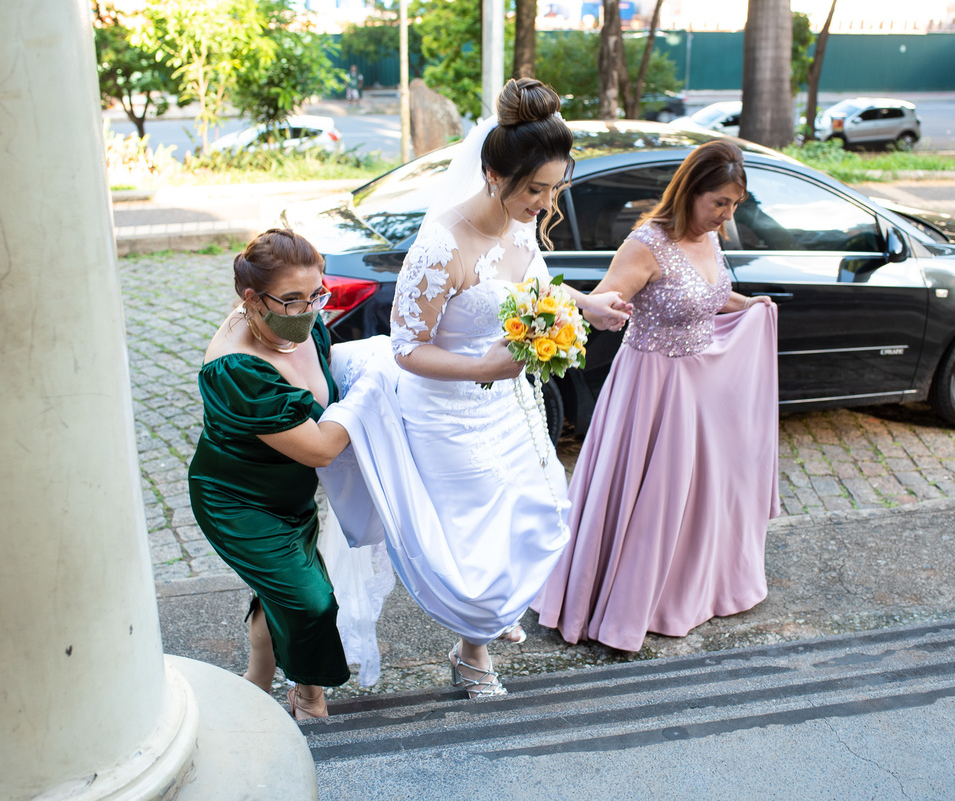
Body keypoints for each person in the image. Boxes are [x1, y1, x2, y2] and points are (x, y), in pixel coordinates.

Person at [319, 78, 631, 698]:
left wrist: (588, 305)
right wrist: (483, 369)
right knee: (473, 540)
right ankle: (473, 649)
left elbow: (533, 289)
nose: (544, 205)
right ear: (493, 173)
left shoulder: (520, 229)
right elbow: (408, 349)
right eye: (534, 190)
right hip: (445, 414)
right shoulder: (441, 246)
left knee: (532, 510)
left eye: (553, 188)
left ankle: (492, 614)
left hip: (507, 408)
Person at [532, 140, 781, 652]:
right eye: (720, 203)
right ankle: (621, 605)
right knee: (650, 501)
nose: (726, 215)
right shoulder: (645, 245)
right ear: (691, 191)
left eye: (734, 205)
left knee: (694, 499)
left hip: (698, 392)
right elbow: (605, 302)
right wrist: (585, 312)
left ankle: (687, 593)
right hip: (650, 389)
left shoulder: (710, 239)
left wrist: (747, 304)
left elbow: (704, 295)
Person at [187, 228, 352, 719]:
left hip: (290, 496)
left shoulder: (303, 322)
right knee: (311, 601)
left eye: (316, 294)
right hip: (236, 501)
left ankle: (256, 679)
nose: (309, 310)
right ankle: (309, 697)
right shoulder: (236, 367)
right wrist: (367, 404)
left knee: (279, 588)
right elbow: (322, 448)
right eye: (293, 299)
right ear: (252, 298)